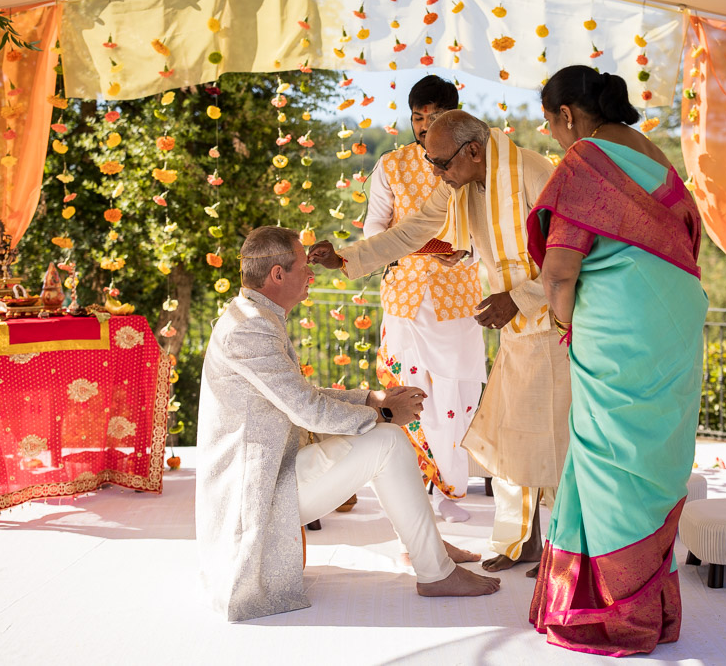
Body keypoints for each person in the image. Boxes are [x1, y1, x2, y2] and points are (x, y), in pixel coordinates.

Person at [309, 110, 571, 575]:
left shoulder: (531, 172)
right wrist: (346, 258)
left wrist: (518, 298)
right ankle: (522, 543)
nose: (435, 173)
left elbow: (565, 253)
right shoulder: (461, 182)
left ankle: (565, 550)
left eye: (440, 164)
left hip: (553, 327)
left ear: (472, 150)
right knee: (511, 436)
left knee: (555, 440)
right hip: (515, 332)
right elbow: (410, 232)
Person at [195, 226, 499, 622]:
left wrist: (374, 399)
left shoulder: (255, 315)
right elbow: (306, 409)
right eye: (304, 267)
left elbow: (302, 392)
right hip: (257, 490)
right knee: (387, 440)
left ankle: (430, 555)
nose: (312, 274)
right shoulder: (250, 328)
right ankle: (434, 568)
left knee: (385, 439)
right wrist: (385, 413)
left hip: (273, 472)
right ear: (277, 275)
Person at [525, 66, 707, 656]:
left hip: (617, 330)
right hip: (674, 323)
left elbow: (559, 270)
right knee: (647, 451)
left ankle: (615, 613)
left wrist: (561, 322)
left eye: (550, 123)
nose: (553, 135)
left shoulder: (583, 162)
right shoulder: (654, 154)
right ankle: (625, 600)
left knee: (607, 456)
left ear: (569, 116)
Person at [364, 76, 486, 523]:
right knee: (407, 395)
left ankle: (449, 492)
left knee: (458, 393)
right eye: (417, 117)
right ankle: (409, 497)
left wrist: (467, 252)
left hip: (459, 299)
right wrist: (415, 247)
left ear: (455, 117)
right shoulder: (391, 166)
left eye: (434, 118)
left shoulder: (474, 162)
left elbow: (488, 227)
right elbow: (374, 230)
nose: (422, 126)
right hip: (405, 301)